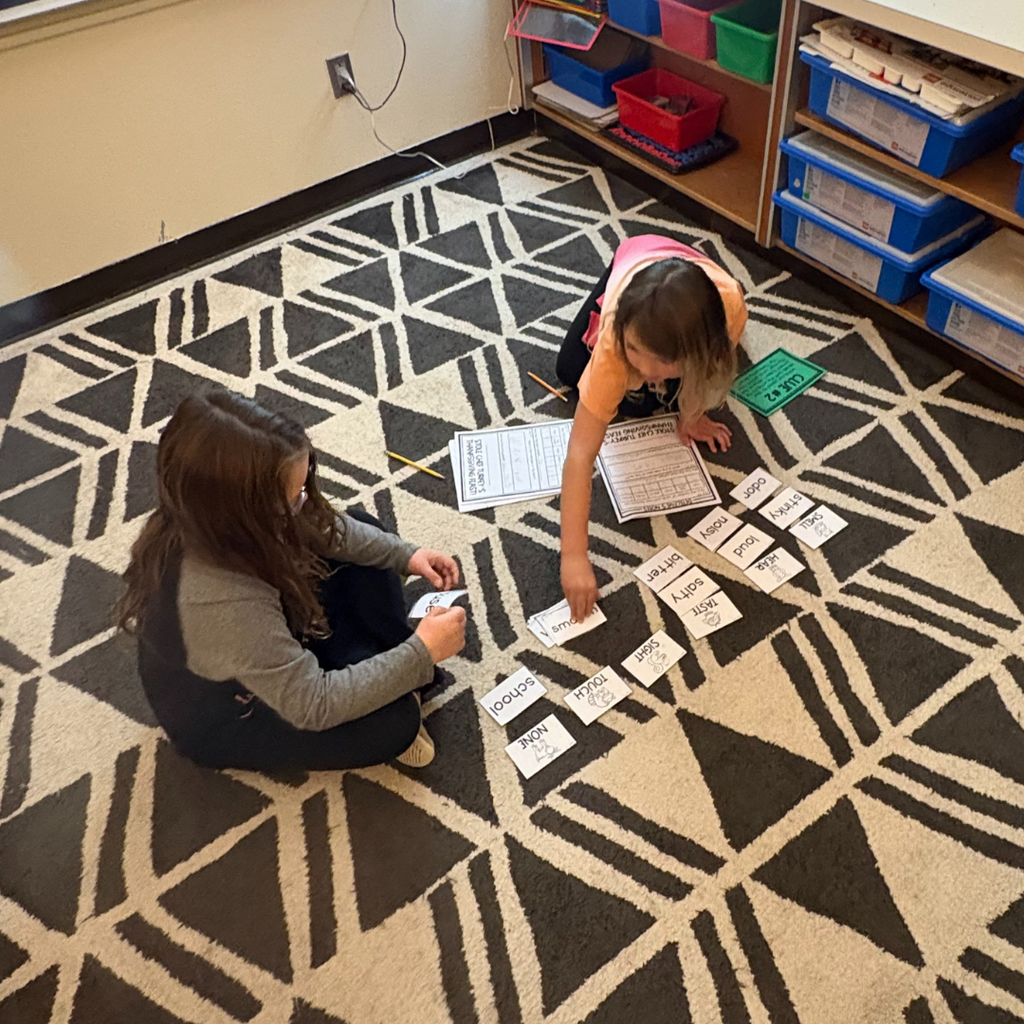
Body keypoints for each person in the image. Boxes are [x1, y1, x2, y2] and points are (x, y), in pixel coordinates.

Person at [114, 388, 466, 772]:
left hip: (270, 641)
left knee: (365, 535)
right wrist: (421, 654)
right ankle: (386, 679)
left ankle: (379, 669)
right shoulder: (220, 602)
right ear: (245, 512)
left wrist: (406, 555)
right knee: (394, 723)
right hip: (236, 716)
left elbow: (324, 528)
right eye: (294, 497)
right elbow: (312, 704)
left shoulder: (218, 519)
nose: (304, 503)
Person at [556, 234, 748, 621]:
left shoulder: (732, 309)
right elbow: (579, 454)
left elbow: (709, 369)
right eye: (635, 354)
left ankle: (667, 372)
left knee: (648, 398)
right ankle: (649, 355)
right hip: (636, 258)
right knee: (571, 370)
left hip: (699, 292)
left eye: (659, 363)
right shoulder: (614, 342)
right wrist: (573, 556)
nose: (644, 372)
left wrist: (691, 415)